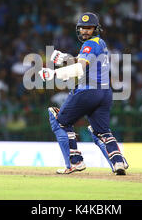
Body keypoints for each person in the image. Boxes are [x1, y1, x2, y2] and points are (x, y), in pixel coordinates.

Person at [39, 12, 128, 175]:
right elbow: (83, 61)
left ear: (96, 28)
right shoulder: (100, 43)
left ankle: (75, 162)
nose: (85, 31)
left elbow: (80, 68)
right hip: (105, 93)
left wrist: (53, 74)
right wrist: (65, 58)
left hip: (88, 91)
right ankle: (118, 162)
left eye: (89, 28)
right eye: (82, 28)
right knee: (102, 131)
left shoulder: (89, 45)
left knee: (60, 121)